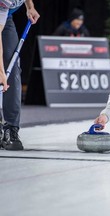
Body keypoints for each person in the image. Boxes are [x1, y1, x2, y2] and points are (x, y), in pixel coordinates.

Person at [0, 0, 40, 150]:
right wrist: (0, 71)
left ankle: (11, 128)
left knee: (13, 69)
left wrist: (30, 7)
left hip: (6, 17)